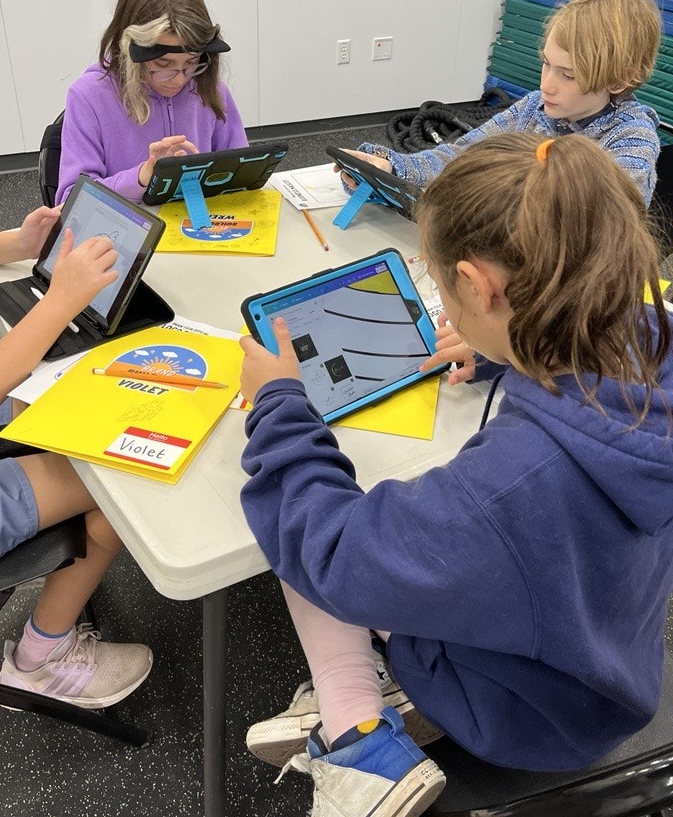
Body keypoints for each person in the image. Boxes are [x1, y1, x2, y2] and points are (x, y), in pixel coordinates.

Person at [238, 131, 673, 817]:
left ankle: (360, 740)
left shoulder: (506, 488)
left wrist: (280, 404)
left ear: (479, 285)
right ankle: (384, 694)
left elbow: (333, 551)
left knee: (298, 513)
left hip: (522, 713)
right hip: (607, 665)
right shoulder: (650, 335)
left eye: (444, 288)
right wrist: (513, 345)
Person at [0, 65, 152, 708]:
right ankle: (40, 659)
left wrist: (17, 241)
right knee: (120, 486)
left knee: (64, 401)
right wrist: (60, 300)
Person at [345, 0, 663, 206]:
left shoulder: (631, 140)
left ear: (619, 81)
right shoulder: (534, 107)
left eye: (568, 75)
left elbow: (589, 217)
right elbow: (461, 155)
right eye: (546, 65)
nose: (546, 84)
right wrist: (391, 168)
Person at [56, 0, 248, 205]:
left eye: (191, 62)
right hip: (124, 234)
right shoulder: (88, 96)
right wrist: (142, 177)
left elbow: (240, 173)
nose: (179, 78)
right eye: (162, 64)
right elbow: (69, 201)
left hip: (198, 228)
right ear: (130, 51)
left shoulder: (209, 88)